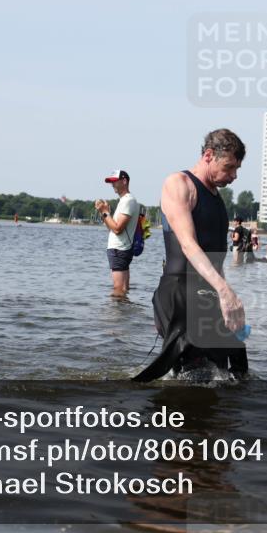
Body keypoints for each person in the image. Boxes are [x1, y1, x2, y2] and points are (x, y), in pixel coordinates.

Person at [133, 129, 248, 381]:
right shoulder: (179, 184)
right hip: (180, 291)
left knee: (230, 375)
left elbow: (215, 260)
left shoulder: (217, 197)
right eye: (229, 167)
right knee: (193, 378)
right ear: (209, 155)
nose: (234, 176)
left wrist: (226, 296)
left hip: (208, 293)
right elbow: (188, 245)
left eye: (237, 169)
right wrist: (225, 292)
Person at [94, 169, 139, 297]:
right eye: (111, 182)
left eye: (114, 181)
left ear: (124, 181)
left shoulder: (128, 201)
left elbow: (117, 229)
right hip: (121, 249)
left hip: (119, 249)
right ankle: (124, 315)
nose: (112, 184)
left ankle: (116, 315)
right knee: (123, 289)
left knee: (118, 290)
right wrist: (104, 213)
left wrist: (105, 212)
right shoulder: (124, 201)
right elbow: (113, 228)